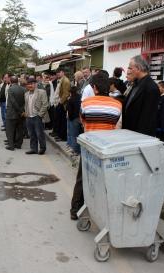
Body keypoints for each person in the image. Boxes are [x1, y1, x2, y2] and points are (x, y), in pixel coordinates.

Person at [70, 73, 122, 220]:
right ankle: (104, 211)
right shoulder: (117, 104)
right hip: (107, 149)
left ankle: (75, 209)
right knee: (105, 180)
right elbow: (115, 124)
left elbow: (83, 120)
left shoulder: (86, 103)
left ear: (94, 88)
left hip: (89, 146)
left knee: (83, 177)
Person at [122, 55, 160, 136]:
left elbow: (147, 119)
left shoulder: (151, 87)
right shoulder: (136, 83)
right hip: (128, 132)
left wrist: (138, 138)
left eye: (130, 68)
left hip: (139, 136)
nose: (128, 71)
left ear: (138, 68)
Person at [24, 78, 49, 155]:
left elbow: (45, 105)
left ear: (35, 84)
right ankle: (33, 148)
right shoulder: (26, 94)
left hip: (37, 116)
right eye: (28, 84)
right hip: (29, 117)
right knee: (31, 134)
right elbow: (26, 105)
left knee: (39, 133)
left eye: (31, 84)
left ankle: (42, 148)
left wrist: (40, 115)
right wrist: (26, 114)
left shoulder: (41, 92)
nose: (30, 85)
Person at [5, 76, 26, 151]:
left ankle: (11, 146)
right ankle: (19, 144)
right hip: (21, 114)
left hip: (12, 113)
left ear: (10, 81)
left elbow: (13, 102)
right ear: (18, 81)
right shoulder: (23, 89)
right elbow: (25, 101)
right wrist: (22, 111)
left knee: (10, 130)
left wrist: (19, 110)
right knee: (20, 130)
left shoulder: (10, 89)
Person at [54, 68, 70, 142]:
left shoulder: (65, 80)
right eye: (57, 73)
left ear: (62, 72)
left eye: (59, 72)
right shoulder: (62, 80)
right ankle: (60, 135)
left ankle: (63, 137)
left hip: (63, 104)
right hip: (60, 103)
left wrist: (60, 102)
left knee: (63, 121)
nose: (57, 74)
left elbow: (66, 94)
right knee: (60, 120)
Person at [66, 86, 82, 155]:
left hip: (72, 119)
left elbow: (69, 110)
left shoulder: (71, 99)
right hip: (78, 118)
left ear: (71, 92)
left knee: (72, 134)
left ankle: (74, 150)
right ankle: (77, 150)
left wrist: (69, 117)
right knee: (77, 135)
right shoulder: (80, 98)